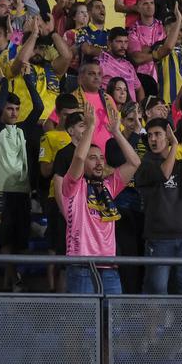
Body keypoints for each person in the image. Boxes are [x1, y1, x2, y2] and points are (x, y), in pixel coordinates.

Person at [58, 103, 141, 294]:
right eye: (93, 158)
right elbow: (78, 157)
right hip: (81, 263)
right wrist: (92, 126)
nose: (99, 162)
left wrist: (116, 133)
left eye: (102, 158)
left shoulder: (108, 186)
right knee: (84, 321)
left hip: (109, 264)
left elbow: (135, 162)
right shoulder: (73, 186)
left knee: (111, 320)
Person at [136, 119, 182, 295]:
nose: (153, 139)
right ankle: (152, 324)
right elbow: (164, 173)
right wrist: (175, 146)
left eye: (158, 134)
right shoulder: (146, 164)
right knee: (156, 291)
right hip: (158, 238)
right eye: (150, 135)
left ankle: (179, 324)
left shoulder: (179, 165)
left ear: (168, 135)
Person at [0, 90, 42, 291]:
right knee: (5, 240)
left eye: (17, 109)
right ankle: (13, 282)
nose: (14, 113)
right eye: (10, 108)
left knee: (20, 242)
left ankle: (10, 283)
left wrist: (28, 81)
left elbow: (39, 108)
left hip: (22, 192)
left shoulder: (23, 130)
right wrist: (2, 82)